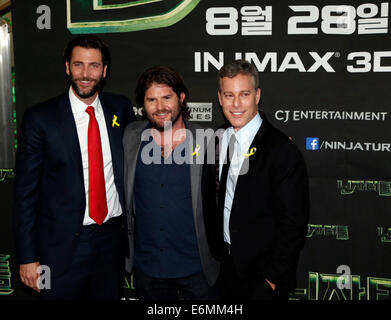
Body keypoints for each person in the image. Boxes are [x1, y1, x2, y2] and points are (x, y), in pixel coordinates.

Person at [13, 35, 135, 299]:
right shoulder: (40, 118)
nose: (85, 74)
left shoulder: (121, 108)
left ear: (104, 70)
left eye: (93, 66)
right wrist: (27, 257)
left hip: (111, 242)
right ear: (67, 67)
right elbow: (25, 194)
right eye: (78, 65)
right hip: (58, 249)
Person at [212, 59, 309, 300]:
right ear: (220, 98)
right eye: (229, 95)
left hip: (263, 279)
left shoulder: (281, 150)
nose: (236, 104)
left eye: (244, 94)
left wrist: (272, 279)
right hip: (224, 270)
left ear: (257, 95)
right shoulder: (217, 139)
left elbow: (293, 223)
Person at [122, 66, 219, 300]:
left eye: (167, 97)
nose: (160, 107)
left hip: (198, 268)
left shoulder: (208, 141)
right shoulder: (130, 137)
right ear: (143, 105)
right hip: (148, 268)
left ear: (181, 97)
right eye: (152, 99)